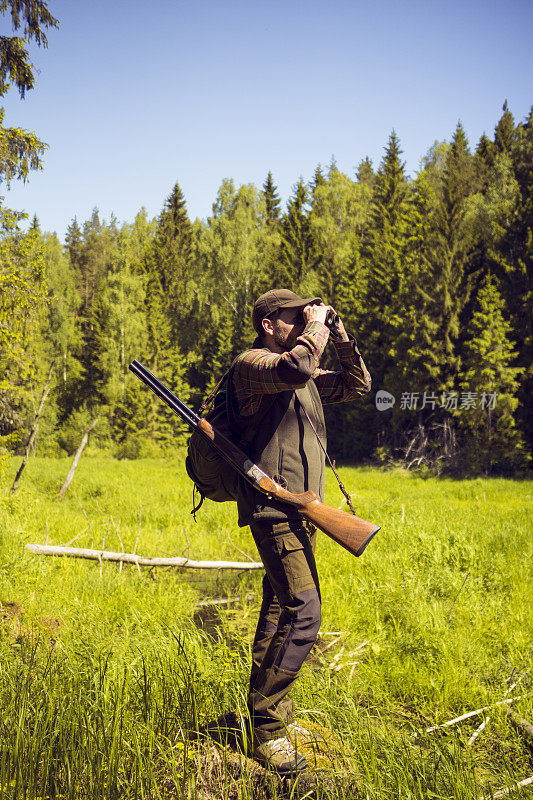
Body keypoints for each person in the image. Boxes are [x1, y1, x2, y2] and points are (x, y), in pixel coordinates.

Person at [227, 288, 372, 774]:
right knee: (306, 613)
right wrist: (317, 328)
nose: (306, 323)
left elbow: (357, 386)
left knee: (279, 611)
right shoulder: (254, 366)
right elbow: (293, 368)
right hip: (274, 509)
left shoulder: (306, 373)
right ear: (269, 324)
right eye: (295, 317)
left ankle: (268, 718)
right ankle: (267, 732)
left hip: (305, 510)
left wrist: (340, 332)